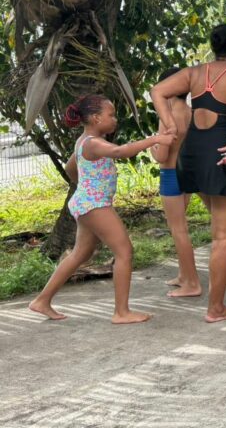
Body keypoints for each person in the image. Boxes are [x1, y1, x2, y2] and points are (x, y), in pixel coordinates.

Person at [152, 23, 226, 323]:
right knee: (224, 236)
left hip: (193, 153)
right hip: (225, 153)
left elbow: (157, 91)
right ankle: (216, 308)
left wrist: (170, 125)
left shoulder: (194, 73)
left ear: (214, 48)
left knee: (224, 228)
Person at [29, 95, 173, 323]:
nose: (115, 119)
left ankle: (42, 300)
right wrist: (155, 139)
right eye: (111, 115)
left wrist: (85, 185)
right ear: (96, 118)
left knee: (80, 253)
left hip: (86, 202)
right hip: (94, 205)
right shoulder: (92, 143)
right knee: (124, 251)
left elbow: (70, 167)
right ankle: (121, 312)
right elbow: (120, 152)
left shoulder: (84, 141)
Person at [149, 68, 202, 298]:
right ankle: (184, 275)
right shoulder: (191, 112)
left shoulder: (168, 115)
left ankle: (192, 282)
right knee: (180, 227)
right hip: (186, 173)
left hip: (170, 174)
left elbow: (161, 155)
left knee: (178, 230)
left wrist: (151, 146)